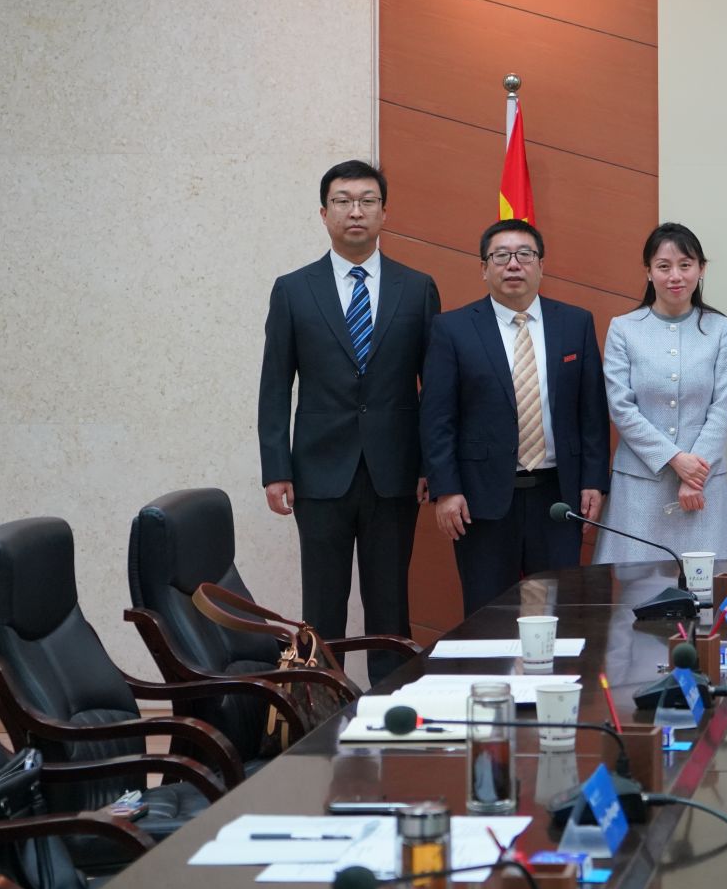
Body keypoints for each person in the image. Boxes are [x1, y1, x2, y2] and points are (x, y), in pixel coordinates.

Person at [257, 160, 439, 686]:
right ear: (324, 213)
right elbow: (275, 386)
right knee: (322, 609)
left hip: (395, 473)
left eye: (366, 201)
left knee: (390, 608)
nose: (354, 211)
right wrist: (276, 468)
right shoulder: (293, 289)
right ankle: (322, 709)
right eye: (342, 201)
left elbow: (435, 388)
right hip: (318, 473)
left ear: (384, 212)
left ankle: (392, 708)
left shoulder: (417, 288)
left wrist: (430, 464)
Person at [421, 219, 609, 615]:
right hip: (480, 499)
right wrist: (446, 489)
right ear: (483, 268)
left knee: (560, 611)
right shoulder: (453, 328)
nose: (513, 264)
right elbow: (438, 418)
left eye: (525, 254)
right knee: (487, 614)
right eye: (501, 256)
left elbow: (591, 410)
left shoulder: (575, 323)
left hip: (557, 497)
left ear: (541, 265)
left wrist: (594, 480)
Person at [597, 223, 727, 567]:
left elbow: (721, 408)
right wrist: (676, 460)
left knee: (709, 586)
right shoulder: (624, 328)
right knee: (635, 588)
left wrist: (695, 474)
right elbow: (621, 408)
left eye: (685, 265)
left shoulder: (720, 329)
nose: (675, 276)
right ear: (648, 272)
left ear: (701, 269)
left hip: (704, 484)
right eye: (663, 266)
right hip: (639, 486)